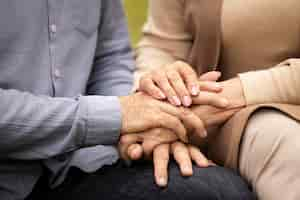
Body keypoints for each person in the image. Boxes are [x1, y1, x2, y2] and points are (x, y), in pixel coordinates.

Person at [0, 0, 255, 199]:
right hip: (10, 180)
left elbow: (110, 59)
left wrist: (144, 132)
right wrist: (119, 116)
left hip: (77, 166)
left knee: (220, 191)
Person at [121, 0, 300, 199]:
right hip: (196, 124)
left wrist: (221, 99)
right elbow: (163, 45)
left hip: (281, 121)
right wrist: (157, 109)